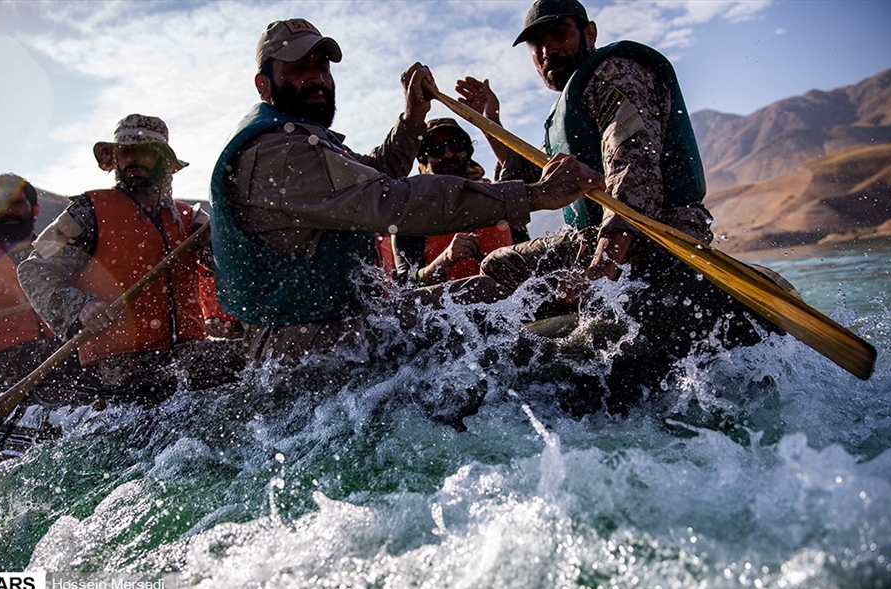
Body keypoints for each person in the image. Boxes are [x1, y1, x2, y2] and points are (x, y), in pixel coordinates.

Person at [209, 18, 601, 368]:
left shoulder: (305, 142)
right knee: (490, 304)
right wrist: (534, 194)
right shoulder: (278, 152)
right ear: (264, 85)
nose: (316, 77)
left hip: (340, 319)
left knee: (493, 291)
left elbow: (377, 171)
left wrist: (413, 116)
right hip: (303, 342)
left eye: (321, 65)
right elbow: (392, 200)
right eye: (298, 67)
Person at [452, 0, 786, 409]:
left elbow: (634, 169)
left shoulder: (613, 72)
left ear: (588, 34)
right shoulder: (569, 104)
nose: (546, 50)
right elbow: (538, 179)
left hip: (655, 234)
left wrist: (601, 271)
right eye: (536, 44)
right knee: (501, 264)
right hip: (597, 237)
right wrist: (491, 121)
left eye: (559, 34)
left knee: (498, 267)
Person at [18, 115, 244, 399]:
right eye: (125, 151)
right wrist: (80, 307)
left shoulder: (190, 220)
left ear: (163, 160)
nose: (132, 158)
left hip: (184, 353)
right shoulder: (87, 214)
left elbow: (236, 268)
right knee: (247, 359)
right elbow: (33, 270)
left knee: (261, 352)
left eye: (144, 150)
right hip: (120, 364)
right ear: (114, 158)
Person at [390, 117, 529, 286]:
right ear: (425, 161)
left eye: (456, 146)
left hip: (508, 300)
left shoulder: (498, 197)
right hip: (447, 308)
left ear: (467, 152)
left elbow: (526, 255)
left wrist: (489, 116)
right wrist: (445, 260)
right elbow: (405, 283)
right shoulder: (409, 213)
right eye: (436, 150)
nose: (448, 155)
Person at [0, 174, 63, 390]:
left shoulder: (56, 252)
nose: (8, 210)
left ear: (35, 210)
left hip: (58, 355)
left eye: (17, 203)